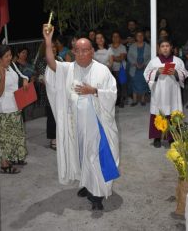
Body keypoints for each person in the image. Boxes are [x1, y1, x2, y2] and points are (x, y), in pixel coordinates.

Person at [43, 23, 120, 211]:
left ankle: (97, 196)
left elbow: (112, 93)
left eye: (85, 50)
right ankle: (87, 184)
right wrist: (47, 40)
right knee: (82, 157)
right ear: (74, 52)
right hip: (76, 127)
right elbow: (52, 64)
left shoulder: (102, 71)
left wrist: (93, 91)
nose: (81, 54)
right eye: (77, 50)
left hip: (97, 126)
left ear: (92, 51)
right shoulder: (69, 68)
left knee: (94, 158)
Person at [144, 38, 188, 148]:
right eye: (162, 46)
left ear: (171, 48)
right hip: (159, 92)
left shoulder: (178, 61)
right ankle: (157, 137)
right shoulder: (154, 61)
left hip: (173, 92)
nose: (165, 48)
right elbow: (146, 74)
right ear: (159, 48)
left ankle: (172, 138)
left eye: (167, 46)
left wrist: (177, 72)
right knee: (158, 113)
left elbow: (185, 73)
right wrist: (157, 72)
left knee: (173, 113)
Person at [0, 45, 29, 173]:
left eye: (10, 55)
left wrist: (25, 80)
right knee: (5, 138)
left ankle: (12, 158)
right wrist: (3, 76)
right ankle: (4, 165)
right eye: (6, 56)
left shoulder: (12, 65)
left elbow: (23, 75)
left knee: (14, 136)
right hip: (4, 110)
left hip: (16, 106)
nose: (9, 58)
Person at [35, 40, 63, 150]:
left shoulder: (60, 59)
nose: (54, 49)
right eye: (51, 47)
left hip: (60, 92)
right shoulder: (41, 62)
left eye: (54, 47)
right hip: (49, 93)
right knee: (52, 116)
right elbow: (44, 77)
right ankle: (53, 139)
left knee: (60, 115)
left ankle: (60, 137)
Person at [127, 31, 151, 106]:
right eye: (138, 36)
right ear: (136, 37)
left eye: (141, 36)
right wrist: (135, 63)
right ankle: (135, 100)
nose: (140, 37)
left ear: (143, 37)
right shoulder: (132, 46)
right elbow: (129, 56)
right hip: (134, 68)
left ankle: (143, 100)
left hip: (144, 67)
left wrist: (145, 64)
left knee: (143, 83)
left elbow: (151, 56)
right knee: (134, 83)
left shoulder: (148, 46)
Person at [108, 31, 127, 108]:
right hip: (111, 69)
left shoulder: (122, 47)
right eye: (114, 36)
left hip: (121, 68)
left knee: (122, 85)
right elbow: (109, 58)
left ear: (119, 38)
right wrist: (116, 57)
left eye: (117, 36)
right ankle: (117, 100)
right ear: (112, 38)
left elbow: (121, 59)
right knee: (114, 86)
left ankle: (122, 100)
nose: (115, 38)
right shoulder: (109, 46)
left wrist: (112, 57)